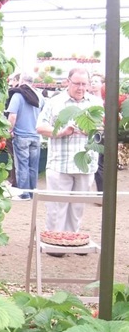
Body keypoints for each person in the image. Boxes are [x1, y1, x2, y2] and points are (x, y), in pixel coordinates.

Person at [36, 67, 103, 234]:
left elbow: (102, 129)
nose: (81, 88)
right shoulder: (54, 102)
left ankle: (72, 237)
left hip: (85, 165)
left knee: (77, 206)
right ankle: (55, 240)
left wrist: (91, 130)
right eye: (77, 84)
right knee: (56, 207)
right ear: (68, 82)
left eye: (84, 84)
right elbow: (40, 127)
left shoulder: (95, 103)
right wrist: (61, 132)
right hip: (60, 163)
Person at [7, 74, 44, 200]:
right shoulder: (40, 96)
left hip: (21, 136)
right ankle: (33, 193)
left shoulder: (18, 95)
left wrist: (9, 130)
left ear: (21, 81)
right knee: (33, 167)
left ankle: (24, 194)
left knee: (21, 166)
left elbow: (12, 116)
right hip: (36, 135)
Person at [89, 73, 105, 194]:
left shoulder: (106, 101)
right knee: (96, 163)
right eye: (92, 81)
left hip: (103, 134)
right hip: (92, 133)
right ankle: (101, 192)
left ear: (102, 84)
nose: (93, 83)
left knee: (101, 164)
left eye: (96, 81)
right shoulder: (88, 100)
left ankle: (102, 193)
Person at [4, 74, 21, 187]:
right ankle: (20, 182)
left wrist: (10, 130)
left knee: (13, 157)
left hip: (13, 131)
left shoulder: (14, 94)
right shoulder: (32, 95)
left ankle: (13, 181)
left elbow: (12, 115)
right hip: (27, 132)